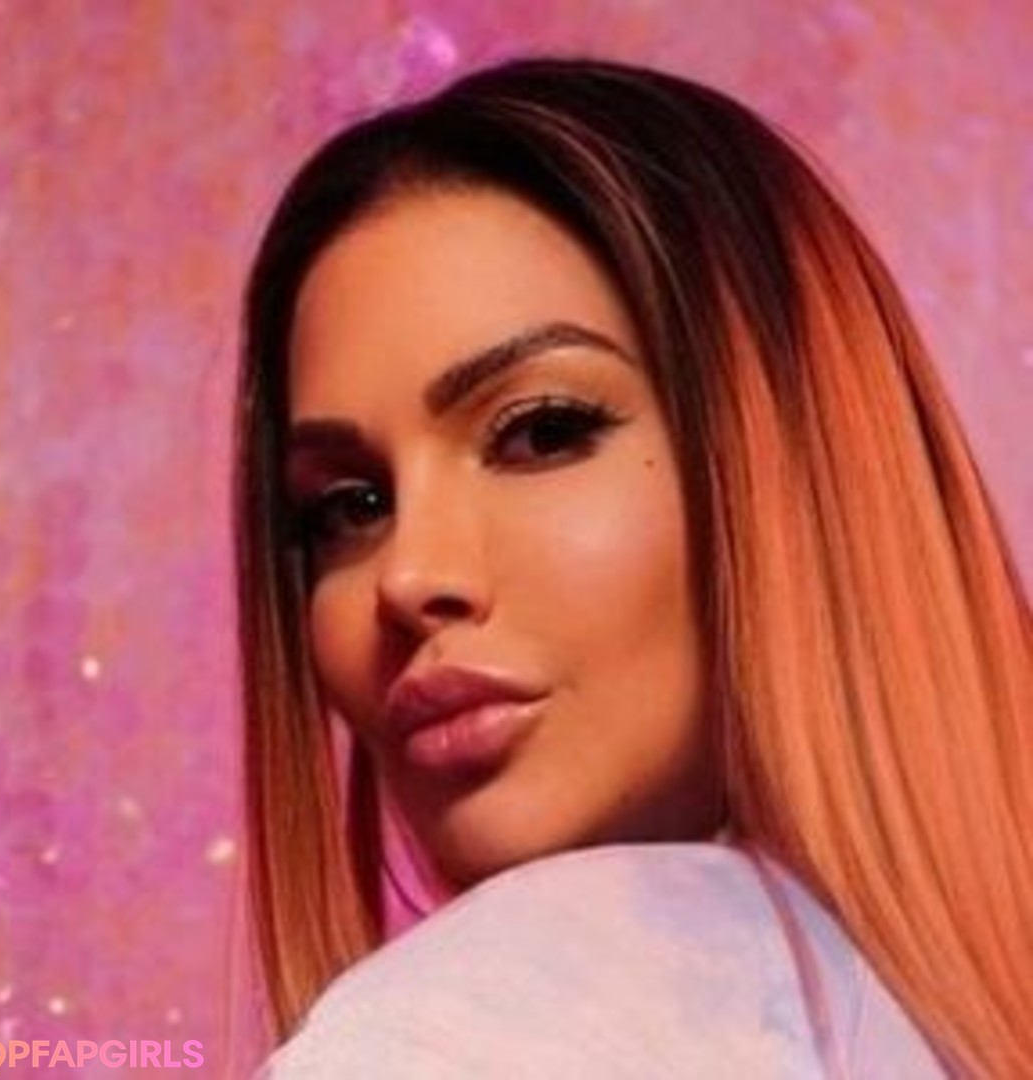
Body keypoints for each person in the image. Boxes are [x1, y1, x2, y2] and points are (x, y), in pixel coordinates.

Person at [233, 56, 1032, 1078]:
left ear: (794, 463)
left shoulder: (486, 1015)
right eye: (351, 507)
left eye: (541, 432)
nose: (408, 575)